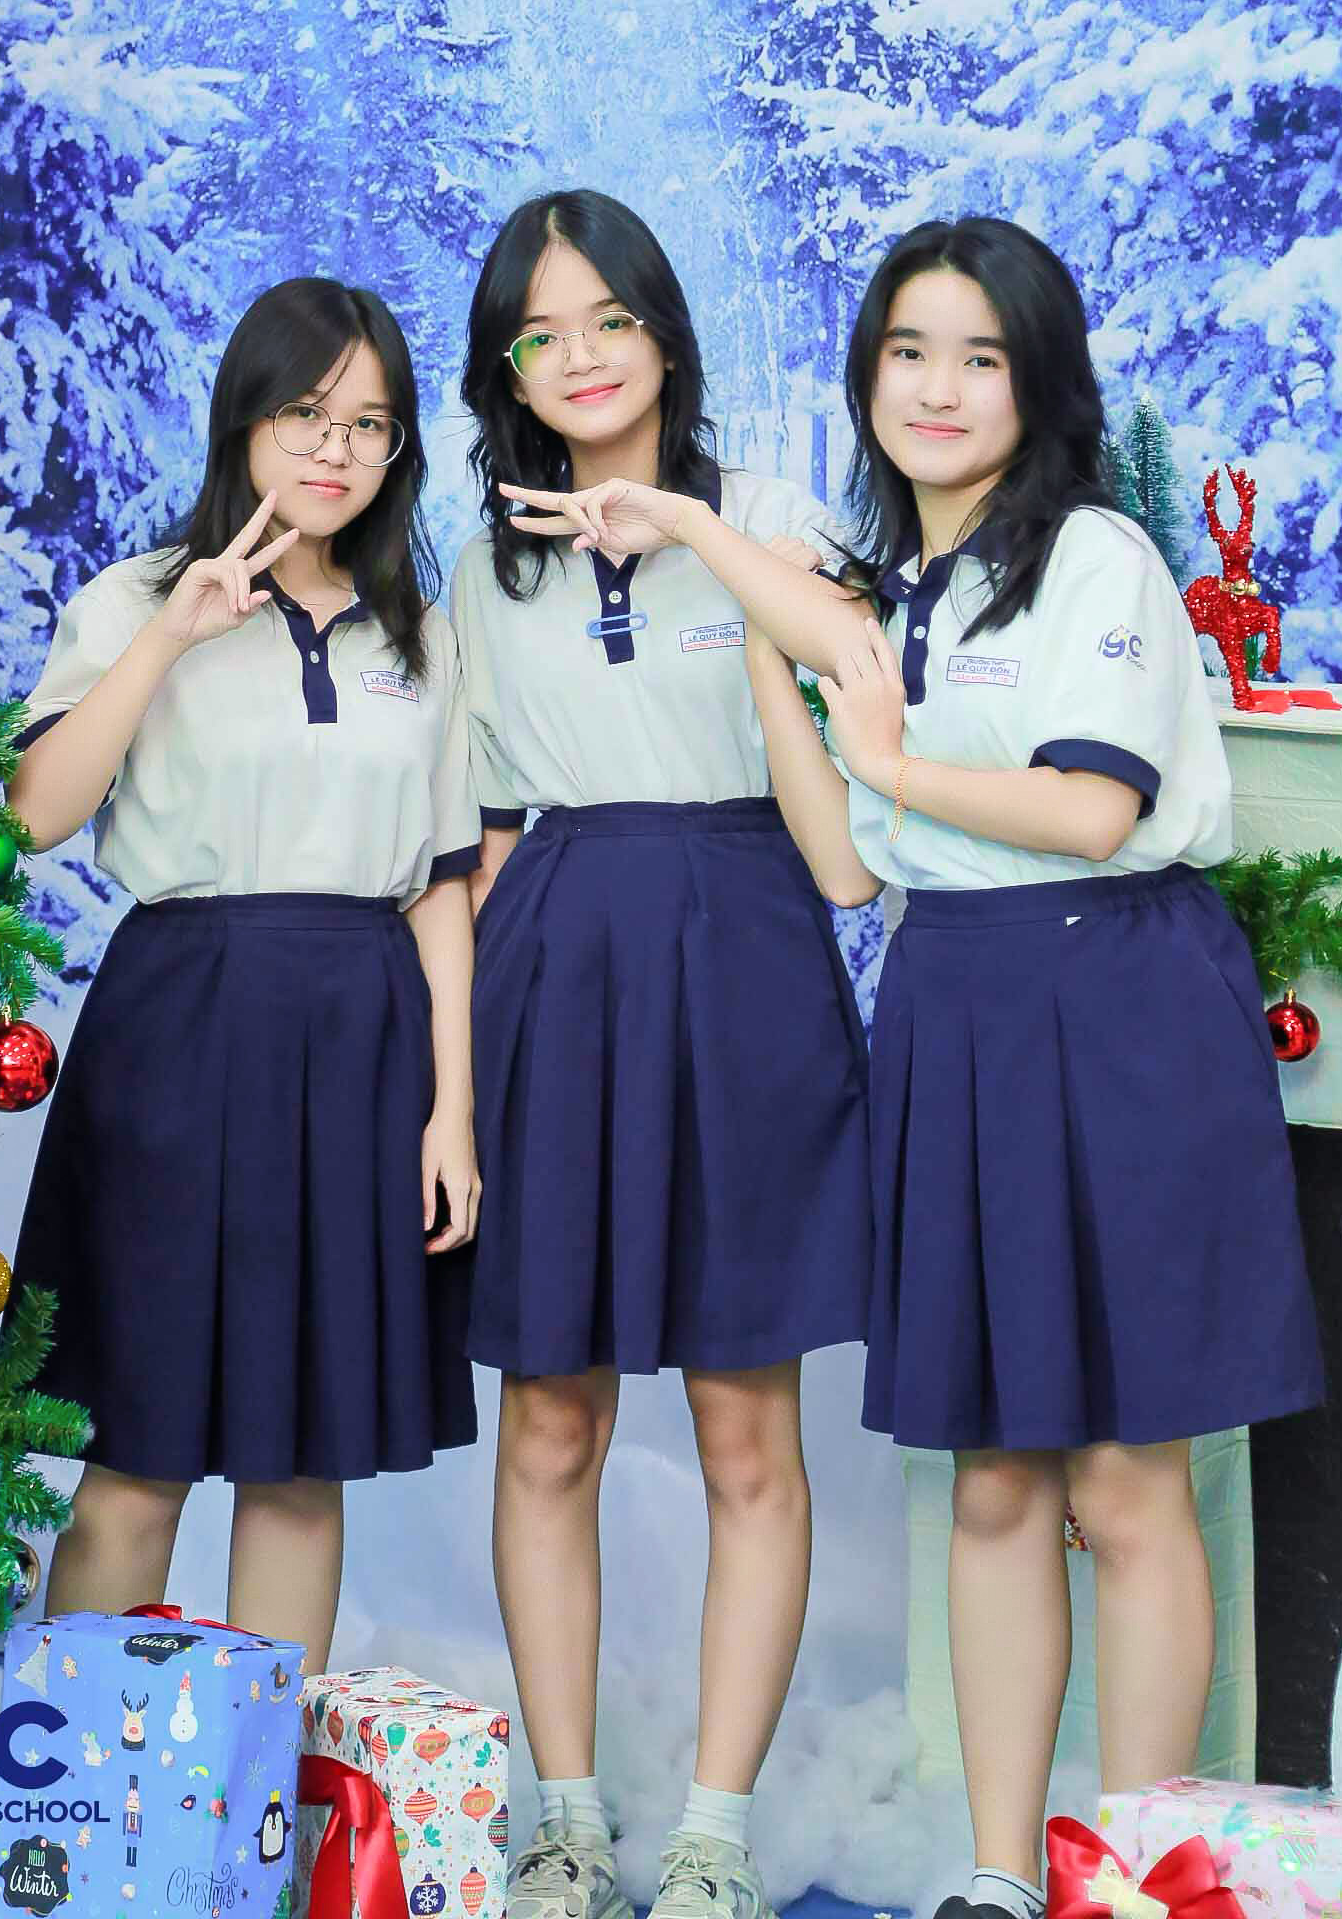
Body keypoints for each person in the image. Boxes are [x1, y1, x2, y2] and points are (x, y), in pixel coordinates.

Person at [743, 216, 1324, 1919]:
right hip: (956, 1004)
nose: (937, 388)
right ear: (868, 378)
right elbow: (849, 869)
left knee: (1129, 1480)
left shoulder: (1097, 559)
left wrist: (889, 760)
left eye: (980, 356)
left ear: (1038, 381)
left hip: (1124, 1002)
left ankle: (1140, 1870)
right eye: (907, 352)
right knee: (991, 1476)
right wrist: (781, 660)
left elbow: (1090, 810)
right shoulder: (895, 598)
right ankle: (1003, 1874)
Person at [451, 189, 873, 1919]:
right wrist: (453, 1086)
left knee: (745, 1433)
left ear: (666, 334)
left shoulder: (764, 519)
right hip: (553, 965)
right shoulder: (485, 569)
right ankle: (564, 1823)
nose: (579, 357)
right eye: (538, 335)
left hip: (745, 957)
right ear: (505, 373)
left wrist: (690, 527)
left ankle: (714, 1838)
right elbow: (478, 839)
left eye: (609, 319)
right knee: (549, 1421)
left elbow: (853, 679)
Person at [3, 276, 482, 1673]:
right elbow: (34, 814)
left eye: (370, 425)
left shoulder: (416, 633)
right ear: (244, 419)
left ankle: (254, 1791)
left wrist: (450, 1113)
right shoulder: (138, 597)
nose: (336, 449)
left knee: (300, 1461)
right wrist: (173, 634)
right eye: (305, 414)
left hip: (364, 1039)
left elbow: (440, 888)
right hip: (182, 1024)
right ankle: (84, 1787)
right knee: (136, 1453)